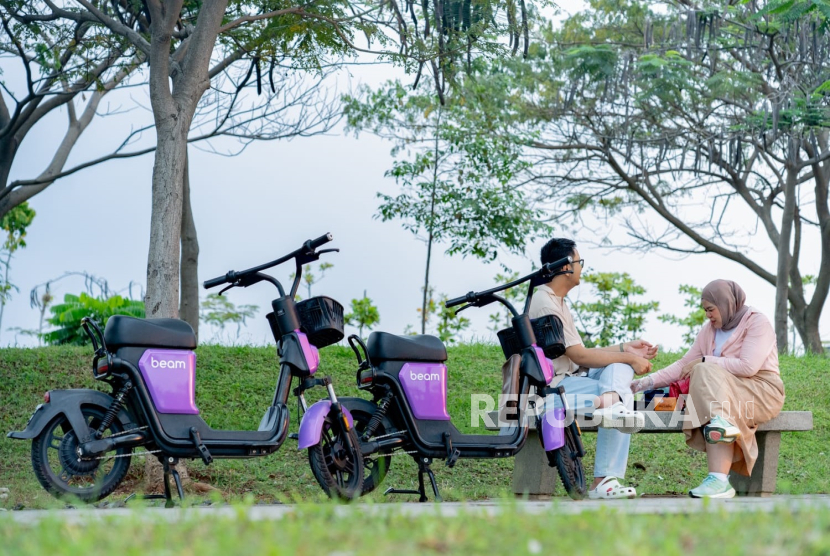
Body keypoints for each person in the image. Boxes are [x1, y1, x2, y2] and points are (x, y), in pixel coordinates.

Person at [631, 279, 785, 498]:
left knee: (706, 377)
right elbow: (683, 366)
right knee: (712, 403)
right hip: (723, 398)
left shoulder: (756, 322)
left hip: (761, 391)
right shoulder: (709, 330)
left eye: (711, 309)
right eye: (705, 310)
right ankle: (718, 479)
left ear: (726, 303)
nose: (707, 315)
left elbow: (749, 366)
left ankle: (719, 475)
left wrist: (706, 360)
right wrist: (644, 383)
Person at [530, 238, 656, 499]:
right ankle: (604, 480)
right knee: (623, 393)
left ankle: (612, 401)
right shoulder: (544, 302)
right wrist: (628, 357)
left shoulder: (558, 301)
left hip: (575, 378)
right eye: (578, 262)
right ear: (565, 266)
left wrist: (625, 349)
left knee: (620, 374)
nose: (581, 268)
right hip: (556, 386)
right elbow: (579, 355)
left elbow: (581, 355)